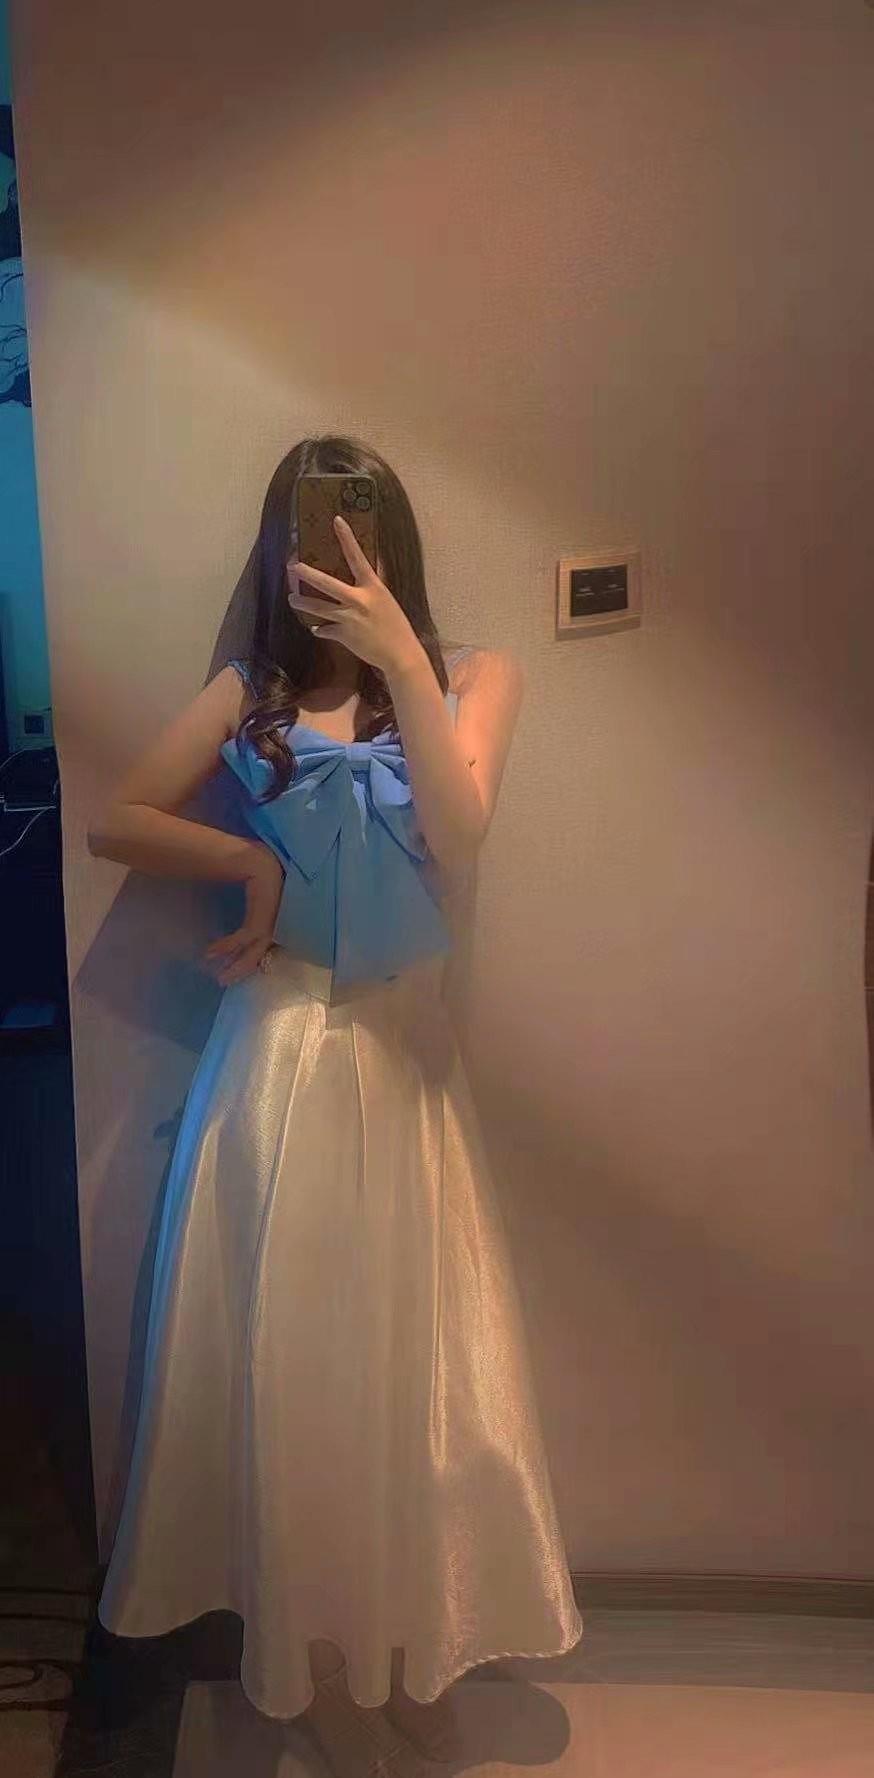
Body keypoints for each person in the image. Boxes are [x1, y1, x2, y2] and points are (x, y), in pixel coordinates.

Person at [89, 435, 583, 1778]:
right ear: (279, 544)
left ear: (389, 536)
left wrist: (401, 657)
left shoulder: (474, 673)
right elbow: (118, 817)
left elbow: (460, 830)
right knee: (291, 1367)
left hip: (403, 1061)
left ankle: (401, 1639)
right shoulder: (247, 692)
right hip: (277, 1056)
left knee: (407, 1370)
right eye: (305, 526)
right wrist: (248, 864)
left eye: (351, 523)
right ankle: (307, 1659)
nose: (326, 547)